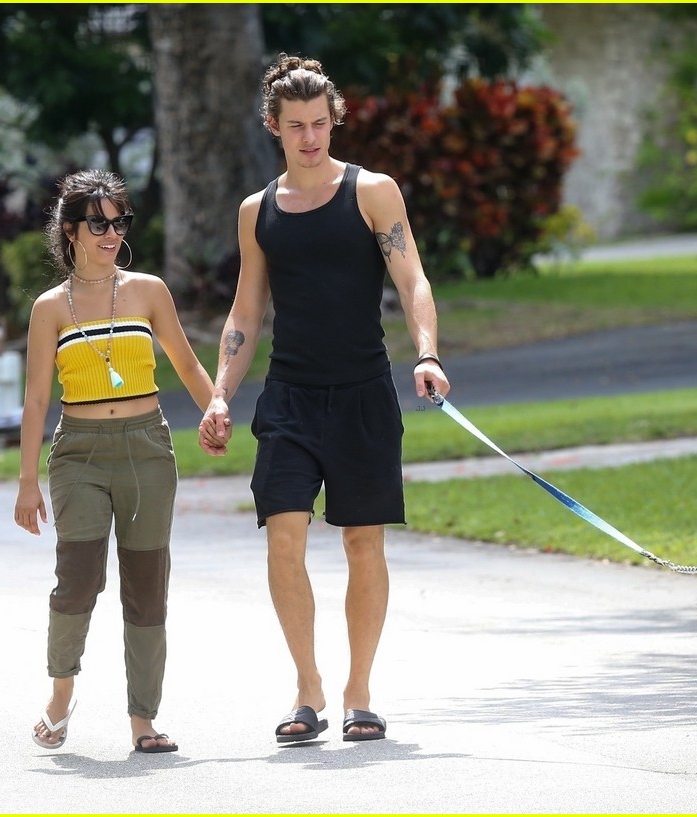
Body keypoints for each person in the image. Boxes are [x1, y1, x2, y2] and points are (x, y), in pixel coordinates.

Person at [198, 54, 450, 744]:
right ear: (274, 128)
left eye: (320, 123)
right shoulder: (258, 213)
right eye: (296, 126)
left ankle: (357, 692)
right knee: (284, 532)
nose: (310, 137)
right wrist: (221, 393)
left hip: (364, 394)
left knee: (363, 541)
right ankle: (307, 687)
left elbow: (414, 280)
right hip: (290, 398)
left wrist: (426, 352)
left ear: (333, 119)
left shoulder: (373, 193)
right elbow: (246, 312)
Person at [15, 169, 214, 754]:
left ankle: (143, 721)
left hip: (147, 450)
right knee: (77, 579)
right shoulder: (49, 309)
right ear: (71, 230)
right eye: (97, 222)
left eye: (118, 220)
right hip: (78, 453)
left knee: (147, 584)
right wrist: (27, 483)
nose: (110, 232)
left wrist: (216, 410)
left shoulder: (148, 291)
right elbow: (35, 400)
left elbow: (186, 362)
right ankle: (60, 695)